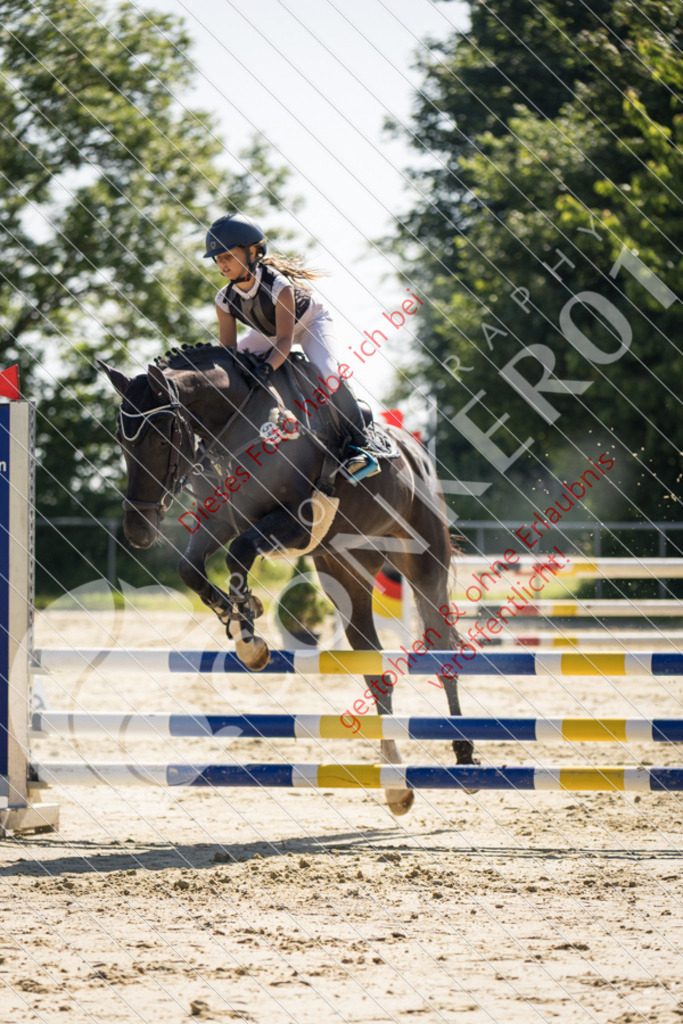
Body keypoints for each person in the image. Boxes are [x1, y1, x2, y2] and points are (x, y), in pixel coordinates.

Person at [203, 213, 379, 481]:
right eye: (217, 258)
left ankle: (361, 444)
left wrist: (266, 369)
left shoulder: (279, 286)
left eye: (228, 255)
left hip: (309, 324)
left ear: (252, 252)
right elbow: (228, 352)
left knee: (328, 373)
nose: (221, 263)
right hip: (268, 333)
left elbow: (285, 340)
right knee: (230, 373)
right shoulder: (224, 300)